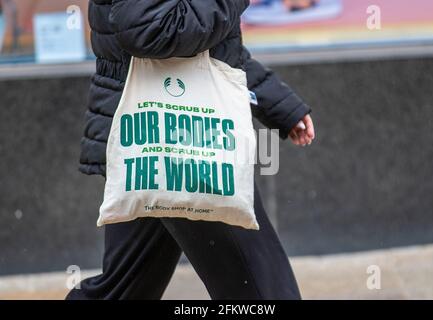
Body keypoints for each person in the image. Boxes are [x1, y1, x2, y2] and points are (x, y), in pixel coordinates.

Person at [66, 0, 315, 300]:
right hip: (179, 140)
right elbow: (150, 29)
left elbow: (208, 46)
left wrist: (275, 101)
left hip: (156, 138)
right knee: (264, 291)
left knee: (123, 290)